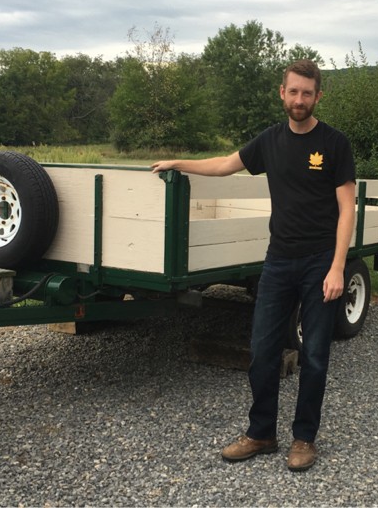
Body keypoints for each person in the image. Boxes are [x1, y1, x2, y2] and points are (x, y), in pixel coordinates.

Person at [151, 59, 356, 472]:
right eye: (293, 91)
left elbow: (347, 208)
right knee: (262, 351)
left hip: (320, 263)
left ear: (318, 96)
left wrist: (338, 267)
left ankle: (304, 438)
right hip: (278, 260)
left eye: (307, 93)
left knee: (315, 355)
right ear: (282, 93)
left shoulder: (334, 143)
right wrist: (178, 163)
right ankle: (261, 433)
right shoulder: (270, 141)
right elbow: (224, 164)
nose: (299, 99)